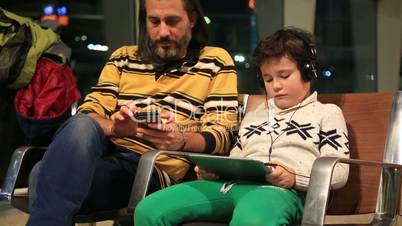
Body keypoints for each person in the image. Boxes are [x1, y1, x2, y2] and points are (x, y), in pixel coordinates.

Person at [26, 0, 239, 225]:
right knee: (79, 126)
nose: (163, 31)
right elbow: (89, 111)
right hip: (102, 152)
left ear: (192, 19)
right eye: (154, 21)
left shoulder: (215, 61)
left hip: (150, 169)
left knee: (43, 174)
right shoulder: (123, 58)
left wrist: (180, 141)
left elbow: (222, 134)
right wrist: (116, 127)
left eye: (172, 21)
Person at [134, 27, 350, 226]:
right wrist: (214, 171)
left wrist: (295, 177)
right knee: (149, 210)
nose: (275, 85)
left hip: (281, 192)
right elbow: (237, 157)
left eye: (284, 75)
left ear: (308, 71)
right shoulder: (254, 116)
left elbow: (339, 170)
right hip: (230, 187)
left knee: (253, 217)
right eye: (267, 78)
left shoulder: (327, 113)